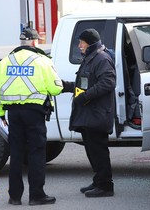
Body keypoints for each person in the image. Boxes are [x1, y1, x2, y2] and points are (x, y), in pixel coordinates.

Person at [0, 28, 63, 205]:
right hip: (34, 113)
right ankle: (36, 195)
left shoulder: (5, 61)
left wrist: (0, 113)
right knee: (36, 152)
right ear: (34, 41)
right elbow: (56, 88)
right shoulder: (42, 61)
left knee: (16, 153)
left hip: (13, 113)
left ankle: (14, 197)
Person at [62, 28, 116, 197]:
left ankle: (105, 186)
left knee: (98, 150)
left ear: (90, 43)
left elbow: (108, 82)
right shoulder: (91, 58)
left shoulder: (102, 58)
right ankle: (98, 180)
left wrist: (85, 97)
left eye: (82, 42)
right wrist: (66, 86)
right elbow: (86, 84)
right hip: (90, 114)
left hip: (97, 114)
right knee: (92, 150)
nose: (79, 46)